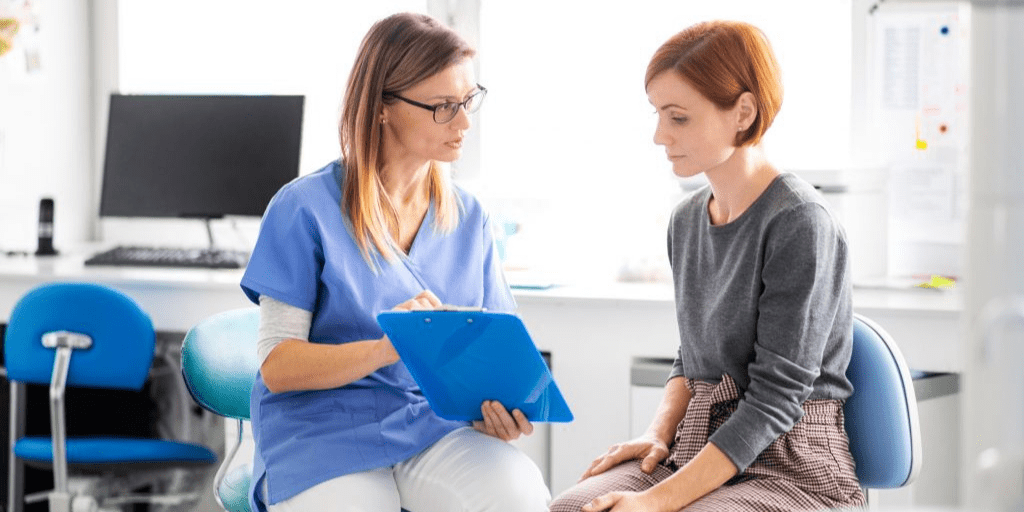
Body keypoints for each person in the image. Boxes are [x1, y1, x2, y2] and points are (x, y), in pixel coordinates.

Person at [549, 20, 865, 512]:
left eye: (678, 118)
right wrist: (658, 434)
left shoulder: (801, 222)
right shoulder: (686, 220)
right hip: (698, 444)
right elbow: (694, 357)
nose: (659, 135)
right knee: (572, 508)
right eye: (657, 114)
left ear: (742, 111)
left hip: (792, 463)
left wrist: (655, 502)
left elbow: (775, 400)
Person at [240, 12, 550, 512]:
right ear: (383, 106)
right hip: (322, 432)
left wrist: (492, 409)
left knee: (520, 495)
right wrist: (387, 348)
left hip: (431, 425)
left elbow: (491, 348)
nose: (465, 123)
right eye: (444, 107)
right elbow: (279, 365)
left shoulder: (469, 218)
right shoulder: (304, 208)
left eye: (468, 100)